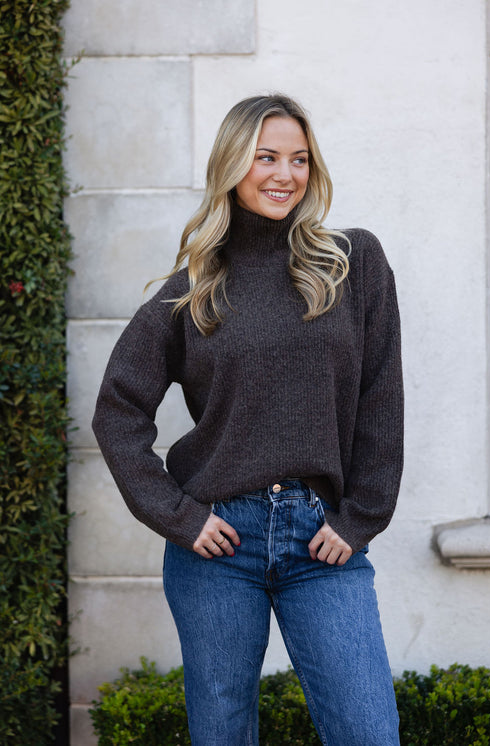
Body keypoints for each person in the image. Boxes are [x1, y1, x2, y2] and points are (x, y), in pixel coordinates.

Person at [92, 93, 403, 745]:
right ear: (233, 165)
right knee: (222, 734)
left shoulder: (352, 263)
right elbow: (118, 411)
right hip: (218, 545)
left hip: (322, 539)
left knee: (367, 729)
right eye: (266, 157)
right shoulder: (193, 289)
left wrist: (361, 517)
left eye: (299, 159)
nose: (285, 174)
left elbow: (380, 397)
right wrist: (177, 516)